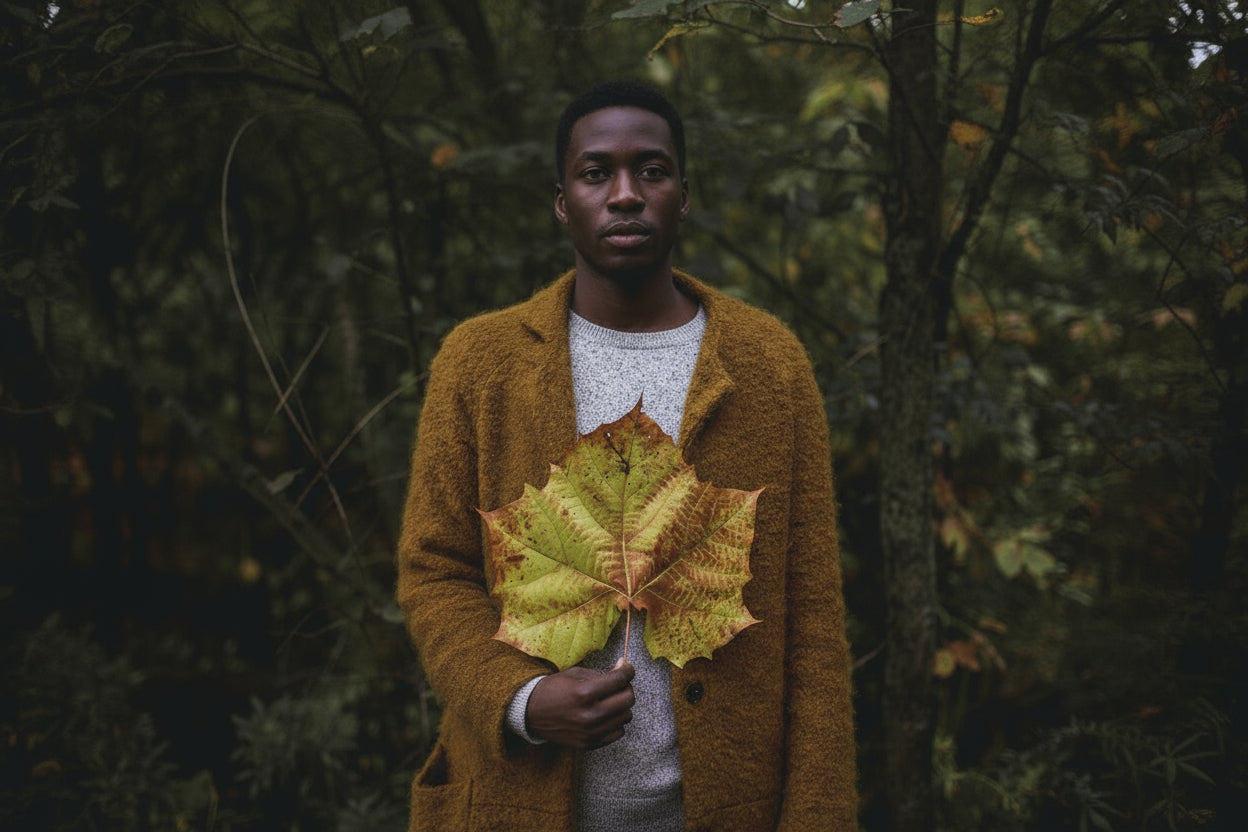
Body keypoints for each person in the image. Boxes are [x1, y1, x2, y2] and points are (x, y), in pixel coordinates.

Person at [396, 80, 857, 832]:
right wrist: (521, 700)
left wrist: (819, 815)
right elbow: (434, 570)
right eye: (595, 173)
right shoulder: (480, 363)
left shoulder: (769, 364)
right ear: (562, 201)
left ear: (684, 195)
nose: (625, 194)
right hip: (515, 805)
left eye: (651, 170)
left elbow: (811, 620)